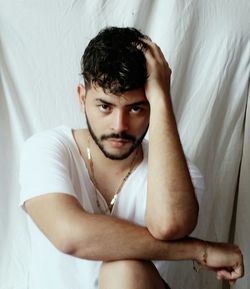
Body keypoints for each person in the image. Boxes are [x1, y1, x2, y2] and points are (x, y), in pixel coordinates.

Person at [19, 27, 244, 289]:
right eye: (105, 106)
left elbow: (169, 226)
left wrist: (161, 97)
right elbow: (70, 235)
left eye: (136, 108)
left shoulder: (178, 173)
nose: (120, 125)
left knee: (125, 269)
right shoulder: (47, 149)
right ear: (82, 98)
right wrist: (198, 250)